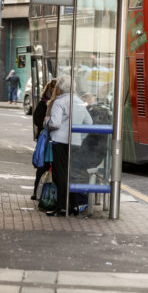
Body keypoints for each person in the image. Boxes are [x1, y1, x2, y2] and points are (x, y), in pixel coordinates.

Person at [46, 75, 93, 216]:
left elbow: (55, 123)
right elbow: (89, 123)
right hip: (75, 143)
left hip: (60, 142)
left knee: (60, 174)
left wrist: (46, 123)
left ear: (59, 88)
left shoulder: (59, 102)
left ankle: (61, 207)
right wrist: (79, 136)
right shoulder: (79, 102)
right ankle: (73, 206)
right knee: (71, 174)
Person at [31, 79, 57, 200]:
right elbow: (36, 120)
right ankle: (36, 191)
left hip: (55, 139)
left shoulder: (58, 103)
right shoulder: (43, 103)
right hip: (45, 139)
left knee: (54, 166)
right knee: (43, 165)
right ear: (49, 89)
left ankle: (51, 194)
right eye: (52, 87)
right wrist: (45, 125)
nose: (53, 90)